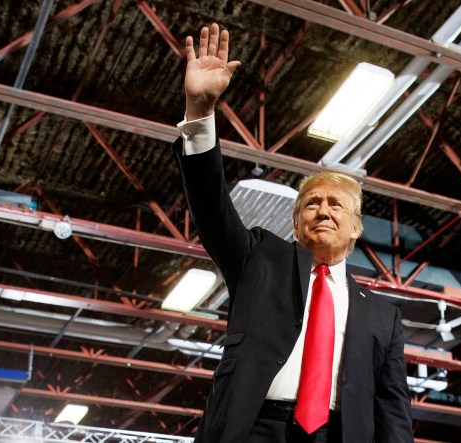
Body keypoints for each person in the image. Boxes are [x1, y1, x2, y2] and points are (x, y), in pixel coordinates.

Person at [172, 23, 414, 443]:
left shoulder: (383, 317)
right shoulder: (260, 259)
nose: (322, 209)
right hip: (254, 431)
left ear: (356, 227)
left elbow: (393, 409)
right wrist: (200, 114)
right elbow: (211, 209)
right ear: (295, 222)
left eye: (335, 204)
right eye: (311, 203)